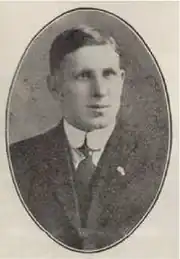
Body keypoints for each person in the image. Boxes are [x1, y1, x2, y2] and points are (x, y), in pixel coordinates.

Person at [9, 25, 162, 251]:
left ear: (121, 80)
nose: (100, 91)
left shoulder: (157, 161)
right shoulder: (18, 161)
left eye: (108, 74)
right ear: (55, 87)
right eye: (84, 76)